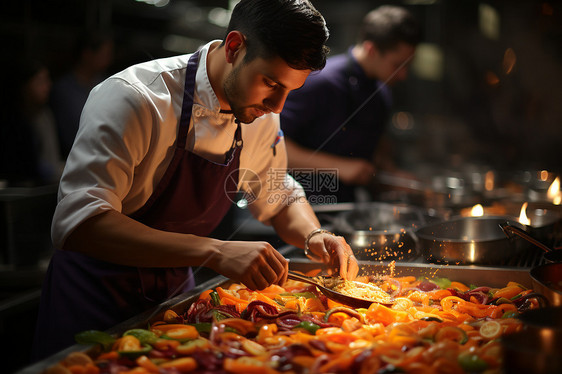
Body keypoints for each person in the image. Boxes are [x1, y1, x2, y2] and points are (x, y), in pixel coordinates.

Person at [32, 0, 358, 360]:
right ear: (234, 47)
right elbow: (78, 224)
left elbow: (277, 194)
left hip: (175, 304)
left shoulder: (259, 115)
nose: (278, 106)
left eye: (289, 92)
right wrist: (216, 251)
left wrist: (315, 235)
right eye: (270, 83)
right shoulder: (137, 98)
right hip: (92, 300)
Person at [280, 5, 422, 203]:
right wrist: (339, 167)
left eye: (408, 65)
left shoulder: (381, 94)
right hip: (301, 204)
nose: (403, 75)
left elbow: (374, 153)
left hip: (348, 206)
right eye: (397, 65)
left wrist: (393, 175)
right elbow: (276, 147)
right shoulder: (320, 81)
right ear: (371, 49)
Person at [50, 30, 114, 158]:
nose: (109, 59)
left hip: (104, 155)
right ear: (87, 54)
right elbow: (69, 133)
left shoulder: (108, 85)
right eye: (105, 54)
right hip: (73, 157)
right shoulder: (63, 90)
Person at [0, 59, 64, 186]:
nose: (47, 86)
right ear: (23, 86)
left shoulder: (45, 115)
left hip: (50, 185)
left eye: (47, 80)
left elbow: (51, 160)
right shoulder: (11, 123)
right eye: (40, 81)